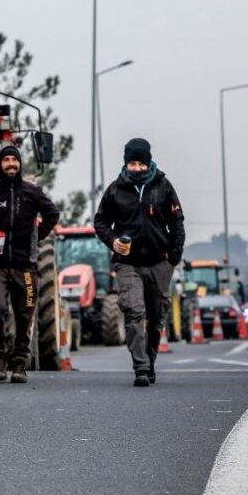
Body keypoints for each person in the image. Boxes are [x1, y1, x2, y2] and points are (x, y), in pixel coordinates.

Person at [93, 138, 185, 387]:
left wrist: (173, 257)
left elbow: (177, 223)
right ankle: (141, 367)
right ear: (126, 163)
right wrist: (113, 241)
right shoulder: (115, 189)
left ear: (148, 163)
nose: (136, 168)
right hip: (128, 263)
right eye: (131, 164)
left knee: (156, 317)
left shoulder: (163, 186)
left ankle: (150, 362)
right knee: (134, 312)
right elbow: (100, 222)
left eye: (140, 164)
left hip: (159, 262)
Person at [0, 144, 60, 384]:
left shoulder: (33, 192)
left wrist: (36, 237)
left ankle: (20, 363)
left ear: (19, 164)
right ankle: (0, 356)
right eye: (6, 160)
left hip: (26, 266)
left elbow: (53, 215)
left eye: (15, 160)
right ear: (0, 165)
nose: (11, 164)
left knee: (24, 315)